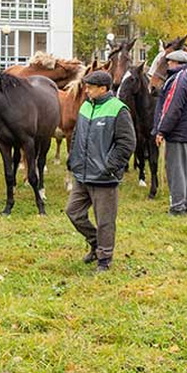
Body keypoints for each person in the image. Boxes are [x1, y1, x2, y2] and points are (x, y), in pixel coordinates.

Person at [65, 70, 136, 272]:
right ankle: (96, 244)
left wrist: (109, 166)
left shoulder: (119, 110)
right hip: (82, 173)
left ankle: (104, 259)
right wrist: (73, 158)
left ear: (103, 89)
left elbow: (127, 143)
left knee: (105, 221)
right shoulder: (86, 106)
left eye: (90, 87)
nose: (86, 90)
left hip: (104, 178)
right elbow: (78, 133)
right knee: (73, 212)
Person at [153, 49, 187, 215]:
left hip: (178, 132)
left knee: (176, 170)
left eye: (170, 61)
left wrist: (161, 130)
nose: (168, 64)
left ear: (177, 63)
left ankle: (177, 206)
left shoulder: (178, 80)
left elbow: (172, 107)